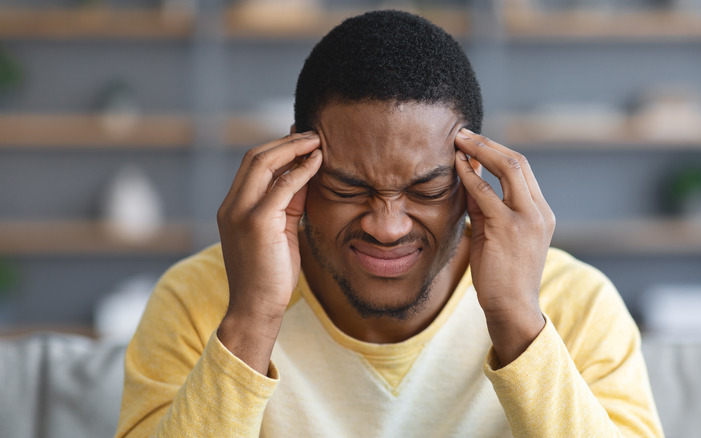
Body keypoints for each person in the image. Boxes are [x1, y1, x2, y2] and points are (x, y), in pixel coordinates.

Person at [116, 10, 663, 437]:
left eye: (425, 190)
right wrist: (253, 318)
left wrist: (517, 319)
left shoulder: (574, 303)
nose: (387, 226)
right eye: (347, 188)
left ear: (474, 172)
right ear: (295, 167)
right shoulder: (198, 299)